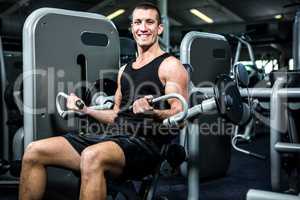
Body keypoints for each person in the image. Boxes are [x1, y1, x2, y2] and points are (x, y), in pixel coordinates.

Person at [19, 2, 188, 200]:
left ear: (159, 28)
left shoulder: (170, 65)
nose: (143, 28)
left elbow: (181, 115)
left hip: (145, 145)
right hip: (112, 137)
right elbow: (116, 114)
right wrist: (86, 110)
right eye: (138, 22)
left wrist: (154, 112)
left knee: (92, 155)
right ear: (132, 28)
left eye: (149, 22)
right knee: (34, 151)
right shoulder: (125, 70)